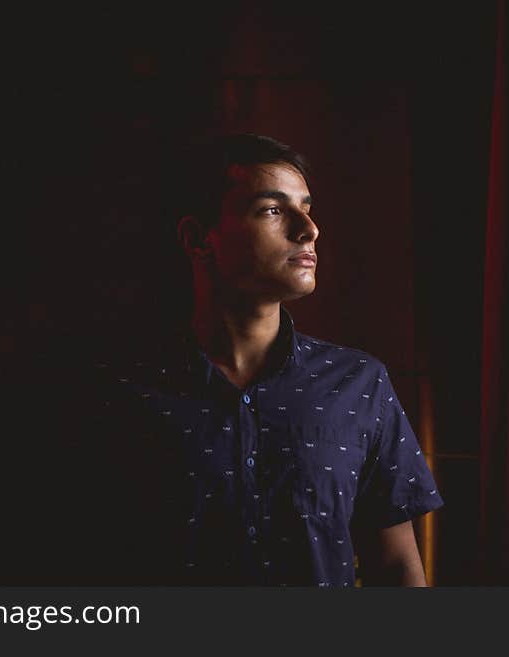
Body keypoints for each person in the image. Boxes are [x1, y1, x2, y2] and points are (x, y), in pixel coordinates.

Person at [65, 133, 443, 587]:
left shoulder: (359, 384)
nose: (308, 229)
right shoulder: (118, 390)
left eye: (306, 206)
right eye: (272, 209)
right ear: (198, 238)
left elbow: (398, 568)